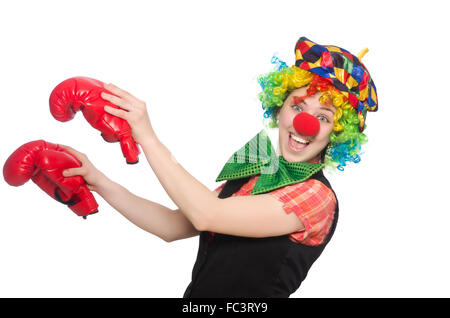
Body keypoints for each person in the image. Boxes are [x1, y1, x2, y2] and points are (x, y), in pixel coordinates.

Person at [61, 36, 378, 297]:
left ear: (337, 133)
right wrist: (98, 180)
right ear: (280, 110)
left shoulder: (316, 197)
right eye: (297, 107)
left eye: (323, 117)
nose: (305, 123)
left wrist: (147, 136)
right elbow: (173, 226)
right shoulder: (255, 176)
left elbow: (206, 213)